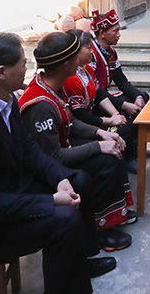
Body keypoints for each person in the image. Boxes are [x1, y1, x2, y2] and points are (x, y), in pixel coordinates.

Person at [0, 32, 116, 294]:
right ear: (1, 72)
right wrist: (51, 200)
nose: (28, 68)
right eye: (22, 63)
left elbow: (29, 149)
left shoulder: (2, 99)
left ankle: (78, 262)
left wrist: (60, 179)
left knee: (78, 179)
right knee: (64, 218)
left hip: (6, 191)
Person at [19, 30, 135, 252]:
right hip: (46, 169)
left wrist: (101, 133)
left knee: (113, 146)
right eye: (75, 55)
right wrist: (98, 145)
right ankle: (99, 228)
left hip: (61, 148)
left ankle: (112, 216)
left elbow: (70, 120)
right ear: (66, 64)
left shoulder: (53, 85)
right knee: (106, 162)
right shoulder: (40, 104)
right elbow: (53, 157)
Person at [64, 30, 139, 169]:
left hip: (92, 115)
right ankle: (126, 159)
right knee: (122, 131)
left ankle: (131, 152)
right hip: (83, 125)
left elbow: (99, 94)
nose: (92, 51)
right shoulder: (71, 79)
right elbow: (80, 115)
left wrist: (115, 114)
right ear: (76, 52)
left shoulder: (87, 69)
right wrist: (109, 121)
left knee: (126, 118)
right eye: (88, 48)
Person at [89, 8, 150, 118]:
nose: (119, 35)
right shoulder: (91, 54)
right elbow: (97, 91)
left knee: (143, 96)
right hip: (96, 101)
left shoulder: (112, 53)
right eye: (115, 31)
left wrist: (138, 96)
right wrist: (124, 105)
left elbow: (121, 81)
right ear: (102, 33)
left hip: (107, 97)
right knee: (125, 111)